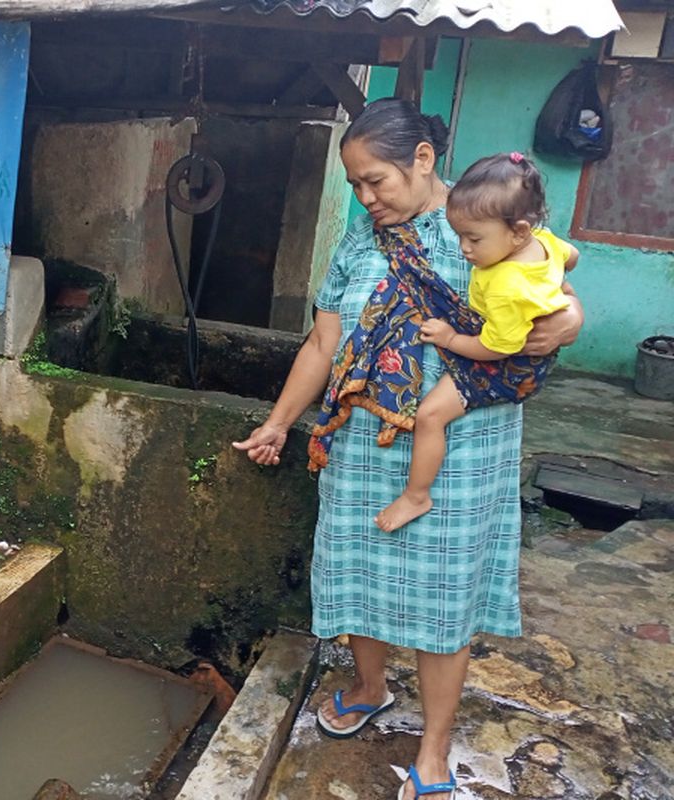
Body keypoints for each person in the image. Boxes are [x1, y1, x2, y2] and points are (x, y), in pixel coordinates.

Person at [232, 99, 583, 800]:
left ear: (422, 160)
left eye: (376, 181)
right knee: (359, 570)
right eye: (355, 184)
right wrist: (278, 422)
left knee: (444, 595)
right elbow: (324, 342)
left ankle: (435, 744)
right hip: (363, 440)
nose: (366, 197)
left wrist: (572, 317)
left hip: (461, 447)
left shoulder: (479, 219)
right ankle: (370, 686)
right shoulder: (359, 243)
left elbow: (553, 293)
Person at [375, 151, 580, 533]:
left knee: (430, 416)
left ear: (518, 231)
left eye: (474, 239)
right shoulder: (543, 240)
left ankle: (416, 496)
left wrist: (450, 337)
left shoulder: (506, 285)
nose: (465, 249)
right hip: (515, 339)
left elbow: (497, 348)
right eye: (460, 236)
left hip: (512, 363)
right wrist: (558, 283)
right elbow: (573, 256)